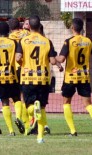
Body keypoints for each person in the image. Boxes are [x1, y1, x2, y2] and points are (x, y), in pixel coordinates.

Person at [56, 18, 92, 137]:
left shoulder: (68, 41)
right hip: (84, 77)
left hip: (70, 77)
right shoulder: (88, 41)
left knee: (66, 102)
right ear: (82, 28)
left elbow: (62, 59)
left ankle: (73, 131)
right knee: (88, 104)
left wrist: (54, 59)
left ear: (72, 28)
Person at [16, 15, 58, 143]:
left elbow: (18, 58)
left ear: (30, 27)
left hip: (27, 77)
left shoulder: (23, 41)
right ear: (40, 26)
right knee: (43, 108)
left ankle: (34, 110)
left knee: (28, 105)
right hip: (43, 78)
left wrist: (24, 62)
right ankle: (40, 137)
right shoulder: (47, 41)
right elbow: (52, 60)